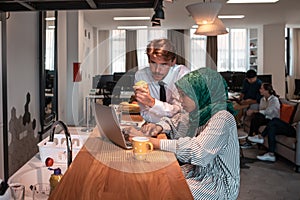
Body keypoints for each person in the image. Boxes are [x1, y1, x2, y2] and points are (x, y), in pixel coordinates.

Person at [130, 68, 240, 199]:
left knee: (160, 191)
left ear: (200, 93)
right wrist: (158, 127)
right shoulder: (195, 113)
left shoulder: (222, 118)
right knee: (153, 178)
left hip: (217, 184)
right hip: (197, 172)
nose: (180, 99)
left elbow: (198, 152)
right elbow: (174, 122)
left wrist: (155, 142)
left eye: (183, 95)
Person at [134, 38, 190, 123]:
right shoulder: (141, 76)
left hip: (179, 129)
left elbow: (181, 113)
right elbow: (145, 112)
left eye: (163, 64)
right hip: (152, 126)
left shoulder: (182, 75)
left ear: (173, 62)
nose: (157, 70)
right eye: (153, 63)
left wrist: (153, 103)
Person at [242, 83, 280, 148]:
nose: (259, 90)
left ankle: (251, 140)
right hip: (264, 118)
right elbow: (261, 110)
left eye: (261, 88)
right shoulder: (262, 99)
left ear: (267, 90)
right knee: (256, 117)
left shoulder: (274, 100)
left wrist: (254, 111)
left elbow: (268, 112)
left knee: (257, 117)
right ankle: (253, 139)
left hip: (272, 120)